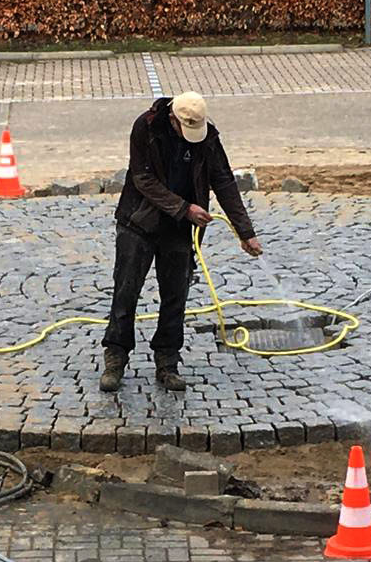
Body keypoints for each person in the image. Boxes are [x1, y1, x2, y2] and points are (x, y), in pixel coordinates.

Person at [100, 92, 263, 393]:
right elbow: (143, 179)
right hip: (138, 222)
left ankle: (167, 360)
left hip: (178, 228)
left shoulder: (208, 138)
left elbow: (224, 181)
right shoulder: (145, 127)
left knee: (176, 295)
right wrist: (185, 208)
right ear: (173, 119)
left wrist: (245, 232)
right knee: (126, 291)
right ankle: (116, 357)